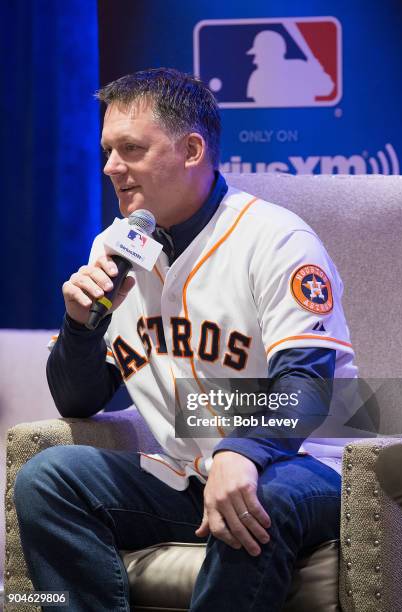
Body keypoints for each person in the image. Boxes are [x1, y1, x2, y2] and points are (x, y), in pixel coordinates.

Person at [14, 68, 357, 611]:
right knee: (48, 477)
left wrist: (242, 452)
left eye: (131, 149)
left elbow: (308, 388)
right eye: (108, 150)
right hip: (192, 473)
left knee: (254, 495)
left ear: (193, 149)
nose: (111, 167)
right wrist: (79, 326)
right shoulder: (118, 246)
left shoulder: (275, 240)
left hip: (309, 464)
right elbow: (80, 400)